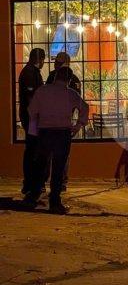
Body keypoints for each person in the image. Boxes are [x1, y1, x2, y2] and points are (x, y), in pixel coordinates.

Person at [25, 67, 89, 214]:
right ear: (69, 79)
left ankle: (33, 195)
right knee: (59, 167)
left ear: (55, 77)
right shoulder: (70, 94)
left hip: (45, 132)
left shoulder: (42, 91)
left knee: (40, 164)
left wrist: (35, 129)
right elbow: (84, 107)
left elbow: (32, 111)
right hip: (63, 133)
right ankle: (54, 201)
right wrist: (79, 125)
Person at [44, 52, 81, 191]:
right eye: (56, 62)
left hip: (58, 121)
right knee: (57, 153)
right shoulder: (59, 77)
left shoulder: (58, 77)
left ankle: (59, 182)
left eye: (58, 62)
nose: (55, 64)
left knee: (56, 153)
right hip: (59, 121)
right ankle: (58, 182)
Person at [18, 48, 46, 196]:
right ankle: (31, 183)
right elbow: (31, 97)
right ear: (39, 59)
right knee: (33, 151)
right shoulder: (30, 73)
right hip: (32, 119)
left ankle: (31, 183)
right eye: (43, 60)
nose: (43, 63)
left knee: (32, 150)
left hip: (31, 117)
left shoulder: (30, 71)